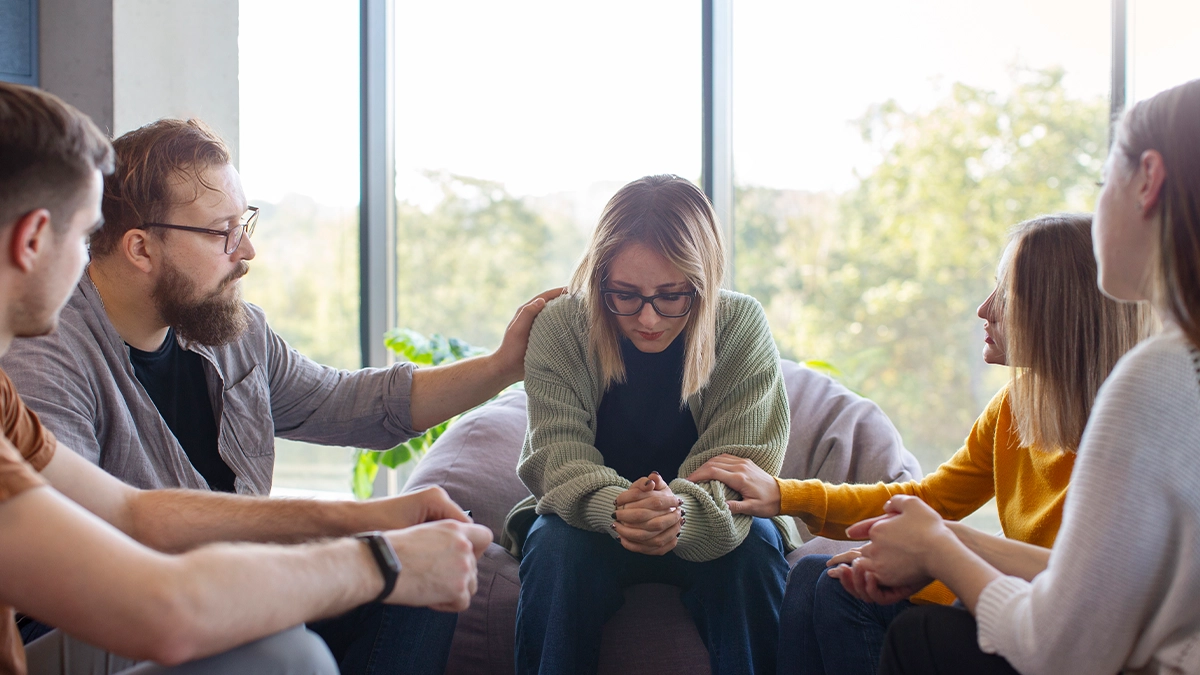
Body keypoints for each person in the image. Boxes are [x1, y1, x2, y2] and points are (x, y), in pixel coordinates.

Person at [0, 115, 559, 674]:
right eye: (221, 232)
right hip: (95, 606)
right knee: (290, 647)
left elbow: (135, 509)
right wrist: (373, 560)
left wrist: (500, 367)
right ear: (140, 250)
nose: (246, 250)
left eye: (244, 222)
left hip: (182, 586)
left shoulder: (222, 327)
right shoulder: (42, 358)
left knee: (413, 564)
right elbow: (114, 560)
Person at [839, 78, 1200, 675]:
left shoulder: (1161, 378)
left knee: (921, 637)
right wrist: (948, 540)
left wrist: (939, 548)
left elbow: (1061, 651)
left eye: (1103, 181)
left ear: (1148, 179)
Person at [689, 212, 1153, 675]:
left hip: (1056, 626)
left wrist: (938, 550)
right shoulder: (1014, 407)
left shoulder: (1135, 431)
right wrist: (786, 495)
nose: (985, 309)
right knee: (822, 576)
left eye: (1007, 295)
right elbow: (930, 500)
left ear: (1060, 313)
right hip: (1008, 598)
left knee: (844, 593)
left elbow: (1094, 585)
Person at [502, 174, 800, 675]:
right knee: (554, 545)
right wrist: (620, 508)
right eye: (624, 294)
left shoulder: (740, 323)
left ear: (703, 283)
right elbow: (556, 456)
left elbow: (744, 467)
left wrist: (678, 514)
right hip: (588, 522)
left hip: (711, 520)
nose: (648, 318)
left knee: (754, 547)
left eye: (671, 296)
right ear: (599, 278)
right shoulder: (562, 325)